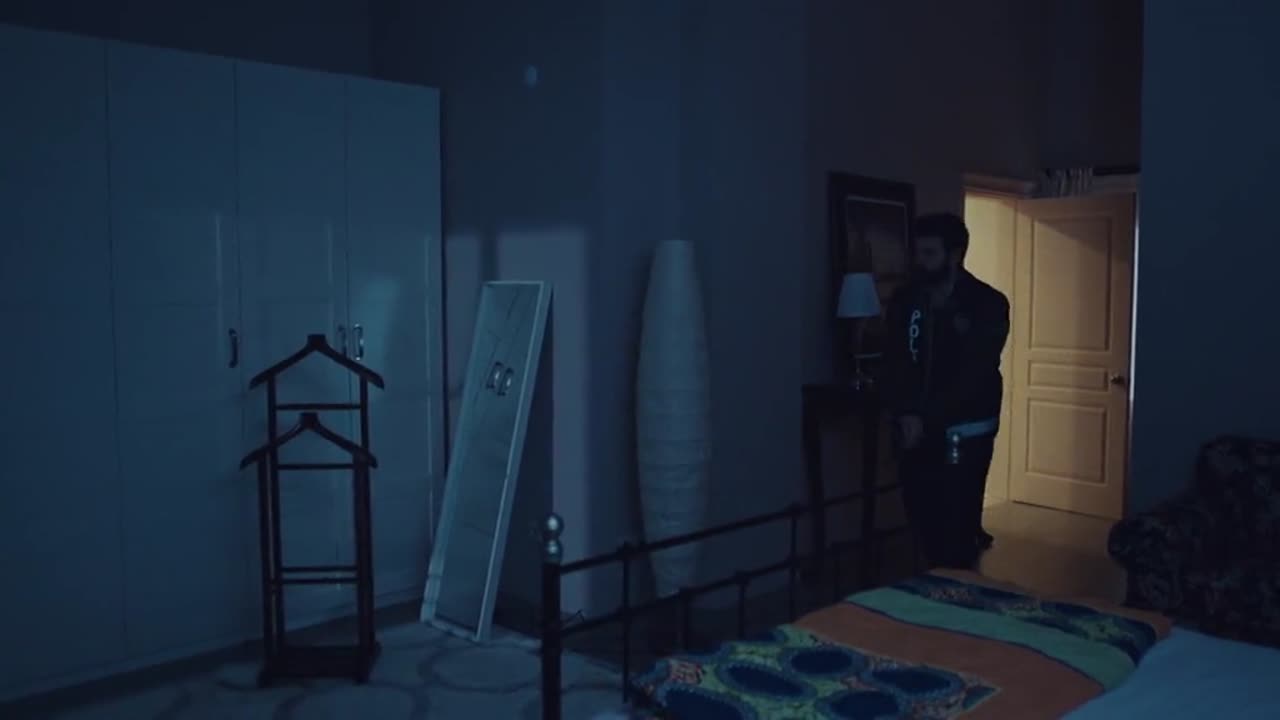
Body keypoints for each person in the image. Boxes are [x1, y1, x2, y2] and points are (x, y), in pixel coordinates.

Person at [884, 212, 1010, 569]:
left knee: (958, 519)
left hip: (966, 428)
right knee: (921, 515)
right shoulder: (906, 300)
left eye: (930, 253)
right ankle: (927, 585)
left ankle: (960, 586)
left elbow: (975, 371)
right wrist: (905, 412)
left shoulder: (987, 303)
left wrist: (925, 416)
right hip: (915, 430)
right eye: (918, 253)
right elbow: (895, 359)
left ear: (954, 255)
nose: (920, 262)